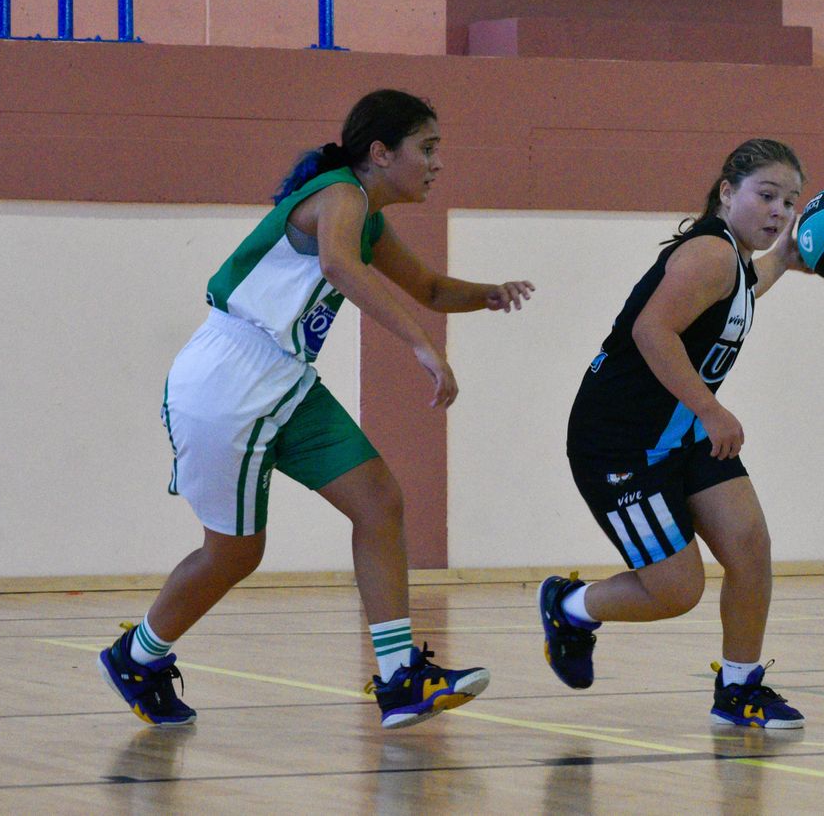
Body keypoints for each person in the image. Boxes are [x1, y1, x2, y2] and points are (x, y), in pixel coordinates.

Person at [98, 89, 536, 730]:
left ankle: (399, 679)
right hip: (229, 382)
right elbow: (337, 264)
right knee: (235, 554)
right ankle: (138, 655)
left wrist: (490, 294)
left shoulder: (369, 218)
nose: (438, 163)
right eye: (428, 149)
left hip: (283, 382)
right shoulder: (341, 195)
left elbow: (433, 289)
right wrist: (420, 345)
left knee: (379, 500)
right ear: (381, 153)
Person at [539, 139, 811, 729]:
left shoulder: (733, 263)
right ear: (726, 192)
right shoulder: (710, 253)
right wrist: (712, 410)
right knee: (676, 589)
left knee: (749, 548)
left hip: (680, 432)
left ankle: (739, 690)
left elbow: (743, 288)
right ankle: (569, 606)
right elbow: (651, 331)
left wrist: (783, 260)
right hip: (620, 441)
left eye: (790, 203)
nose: (779, 212)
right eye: (766, 196)